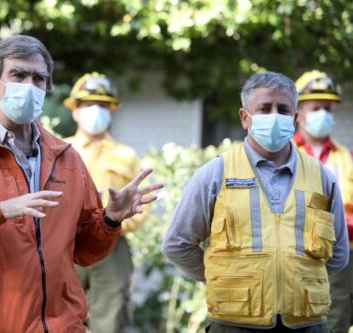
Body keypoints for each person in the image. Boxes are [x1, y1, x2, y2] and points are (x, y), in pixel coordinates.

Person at [0, 35, 162, 333]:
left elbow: (83, 251)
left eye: (38, 79)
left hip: (62, 326)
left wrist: (110, 219)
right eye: (18, 75)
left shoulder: (66, 157)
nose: (29, 86)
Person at [163, 71, 348, 332]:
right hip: (234, 324)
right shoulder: (215, 174)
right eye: (264, 108)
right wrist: (224, 279)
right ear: (245, 118)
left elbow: (338, 254)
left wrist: (295, 282)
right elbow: (177, 244)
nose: (274, 115)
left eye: (283, 109)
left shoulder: (323, 178)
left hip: (307, 324)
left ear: (295, 118)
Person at [64, 72, 146, 332]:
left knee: (110, 320)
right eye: (89, 105)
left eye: (102, 105)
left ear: (112, 112)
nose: (95, 111)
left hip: (113, 247)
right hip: (66, 244)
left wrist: (115, 223)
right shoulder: (60, 151)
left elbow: (142, 206)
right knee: (59, 314)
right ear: (75, 111)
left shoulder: (126, 156)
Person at [293, 70, 353, 333]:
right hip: (294, 259)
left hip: (342, 260)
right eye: (316, 108)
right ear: (297, 112)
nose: (324, 114)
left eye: (328, 109)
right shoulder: (283, 155)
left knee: (337, 322)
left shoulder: (346, 156)